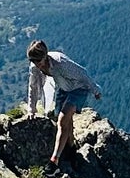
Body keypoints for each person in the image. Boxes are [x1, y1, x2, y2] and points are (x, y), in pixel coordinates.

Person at [26, 41, 101, 170]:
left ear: (45, 55)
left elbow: (82, 73)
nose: (36, 64)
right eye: (33, 61)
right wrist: (31, 109)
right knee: (67, 123)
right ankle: (72, 151)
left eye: (38, 60)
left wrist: (95, 90)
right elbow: (33, 87)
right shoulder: (35, 67)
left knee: (62, 120)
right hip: (63, 88)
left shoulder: (60, 62)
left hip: (78, 89)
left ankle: (54, 160)